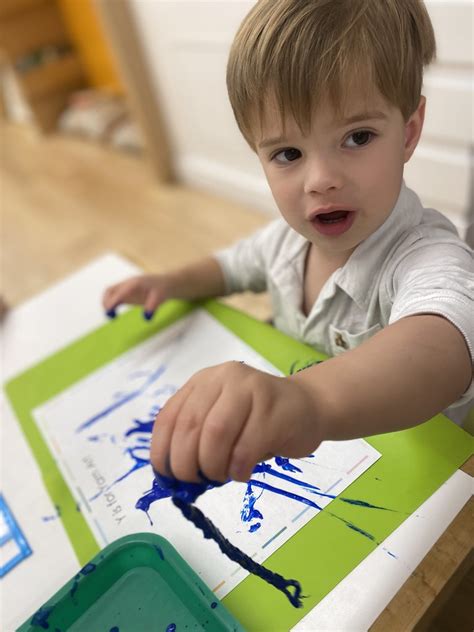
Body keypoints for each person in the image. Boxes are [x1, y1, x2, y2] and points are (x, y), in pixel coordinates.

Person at [103, 0, 473, 485]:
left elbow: (442, 343)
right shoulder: (285, 242)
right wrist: (171, 281)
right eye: (288, 153)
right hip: (325, 468)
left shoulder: (426, 253)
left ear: (408, 132)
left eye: (357, 137)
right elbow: (231, 266)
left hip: (421, 482)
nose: (320, 180)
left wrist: (310, 400)